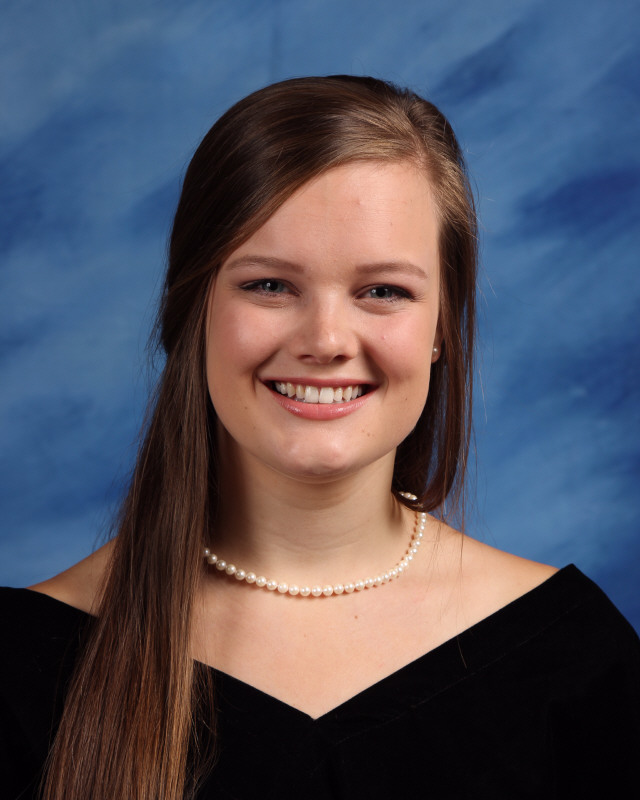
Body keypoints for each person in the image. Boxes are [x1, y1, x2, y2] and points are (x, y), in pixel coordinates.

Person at [0, 75, 638, 800]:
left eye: (384, 291)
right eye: (270, 285)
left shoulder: (575, 659)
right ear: (192, 310)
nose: (326, 340)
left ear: (442, 328)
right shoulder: (22, 666)